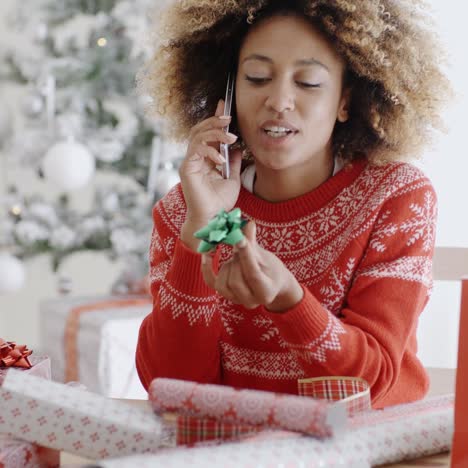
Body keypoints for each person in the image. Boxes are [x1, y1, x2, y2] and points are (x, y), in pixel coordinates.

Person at [135, 0, 451, 408]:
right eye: (258, 77)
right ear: (227, 93)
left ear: (345, 101)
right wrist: (205, 225)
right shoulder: (188, 209)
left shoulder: (395, 198)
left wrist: (290, 301)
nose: (279, 100)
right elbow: (171, 385)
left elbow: (371, 385)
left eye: (308, 83)